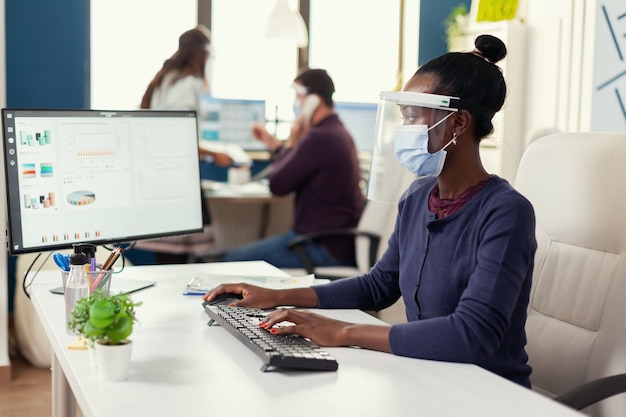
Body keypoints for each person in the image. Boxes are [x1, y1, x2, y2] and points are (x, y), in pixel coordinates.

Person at [203, 35, 538, 388]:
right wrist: (276, 296)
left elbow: (473, 335)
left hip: (489, 392)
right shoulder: (419, 196)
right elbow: (379, 285)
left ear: (458, 122)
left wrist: (343, 332)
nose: (404, 129)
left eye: (412, 116)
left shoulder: (506, 212)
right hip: (428, 377)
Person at [220, 68, 364, 269]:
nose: (297, 103)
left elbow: (277, 184)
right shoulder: (335, 131)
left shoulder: (320, 137)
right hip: (330, 243)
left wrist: (293, 139)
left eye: (300, 97)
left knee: (229, 261)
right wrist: (274, 143)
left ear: (314, 100)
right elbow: (296, 163)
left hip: (319, 247)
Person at [140, 25, 232, 167]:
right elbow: (177, 137)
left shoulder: (166, 78)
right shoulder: (185, 83)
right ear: (203, 53)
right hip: (173, 165)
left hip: (161, 162)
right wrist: (214, 154)